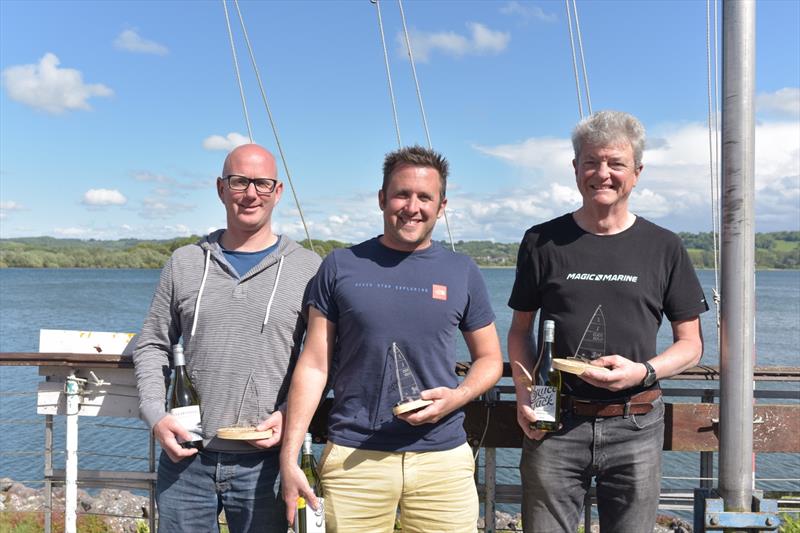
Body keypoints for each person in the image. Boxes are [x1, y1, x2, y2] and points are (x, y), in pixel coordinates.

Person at [279, 145, 503, 533]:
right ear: (382, 198)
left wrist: (458, 396)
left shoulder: (462, 270)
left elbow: (489, 359)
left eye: (424, 197)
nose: (412, 206)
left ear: (442, 205)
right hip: (355, 457)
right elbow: (314, 364)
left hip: (443, 459)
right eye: (401, 194)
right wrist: (290, 456)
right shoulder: (340, 265)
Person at [507, 110, 708, 533]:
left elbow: (690, 344)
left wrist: (645, 370)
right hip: (555, 420)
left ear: (636, 172)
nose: (603, 174)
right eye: (591, 162)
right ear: (576, 168)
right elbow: (520, 331)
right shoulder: (541, 241)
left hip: (635, 420)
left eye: (616, 163)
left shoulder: (664, 246)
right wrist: (527, 396)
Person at [133, 144, 321, 533]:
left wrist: (290, 413)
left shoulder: (308, 268)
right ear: (221, 188)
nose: (250, 193)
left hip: (267, 464)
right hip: (186, 457)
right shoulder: (185, 262)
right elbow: (153, 343)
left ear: (278, 191)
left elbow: (324, 359)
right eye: (239, 182)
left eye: (262, 184)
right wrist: (155, 414)